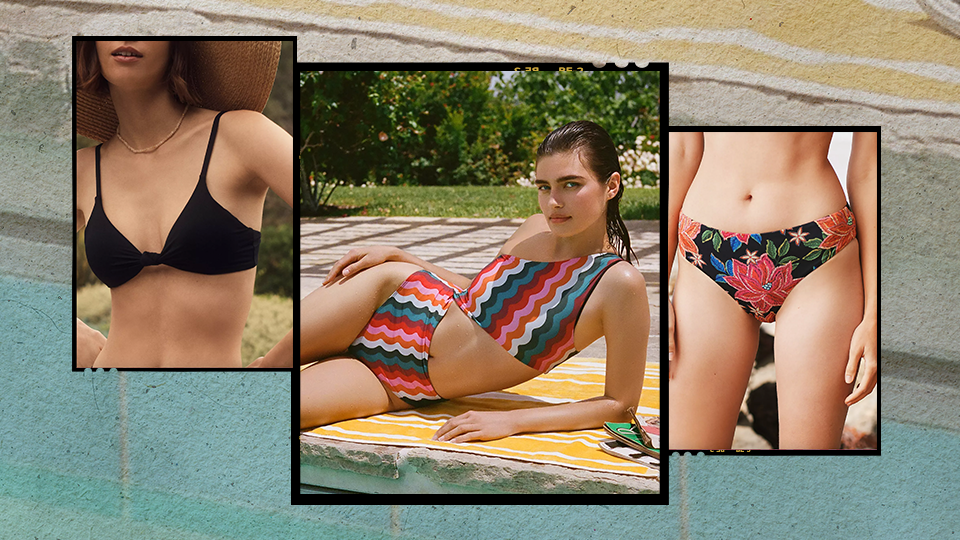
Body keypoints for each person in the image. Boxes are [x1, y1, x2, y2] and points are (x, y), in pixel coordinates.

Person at [300, 121, 652, 443]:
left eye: (571, 184)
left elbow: (621, 405)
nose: (553, 202)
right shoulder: (533, 227)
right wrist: (404, 257)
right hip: (385, 298)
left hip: (403, 383)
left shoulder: (617, 282)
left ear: (612, 186)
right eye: (544, 187)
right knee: (262, 372)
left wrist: (513, 421)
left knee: (273, 407)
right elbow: (480, 298)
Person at [75, 40, 293, 368]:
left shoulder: (241, 136)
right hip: (110, 395)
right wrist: (74, 335)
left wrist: (274, 365)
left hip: (212, 398)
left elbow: (331, 219)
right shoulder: (82, 170)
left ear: (178, 45)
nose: (127, 36)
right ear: (90, 47)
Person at [667, 132, 878, 450]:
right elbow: (681, 151)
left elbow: (869, 172)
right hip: (706, 252)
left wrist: (876, 313)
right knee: (690, 468)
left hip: (817, 247)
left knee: (810, 470)